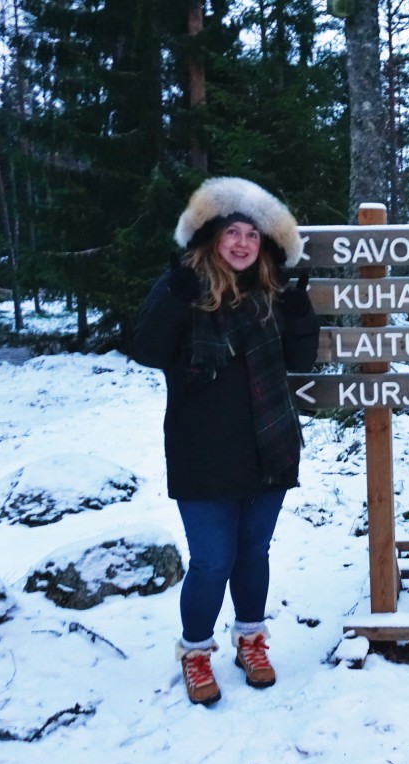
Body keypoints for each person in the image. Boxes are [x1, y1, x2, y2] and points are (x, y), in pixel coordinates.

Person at [130, 177, 320, 706]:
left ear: (264, 245)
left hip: (270, 446)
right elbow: (145, 349)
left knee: (252, 554)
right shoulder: (184, 287)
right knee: (212, 560)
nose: (241, 243)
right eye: (231, 232)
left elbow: (301, 363)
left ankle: (251, 641)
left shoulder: (274, 295)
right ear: (212, 237)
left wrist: (301, 312)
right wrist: (172, 297)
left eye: (252, 235)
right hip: (202, 452)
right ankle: (195, 652)